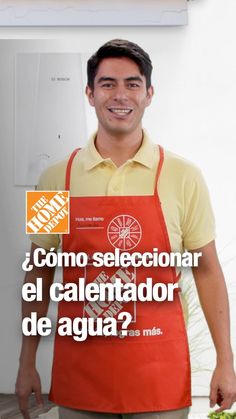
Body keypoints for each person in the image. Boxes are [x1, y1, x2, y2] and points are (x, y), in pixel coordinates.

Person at [16, 39, 236, 419]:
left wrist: (225, 361)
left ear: (149, 94)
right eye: (107, 84)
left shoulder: (184, 176)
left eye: (133, 84)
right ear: (89, 93)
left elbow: (207, 270)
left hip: (160, 380)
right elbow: (39, 272)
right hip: (81, 379)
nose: (121, 95)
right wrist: (27, 359)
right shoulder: (53, 179)